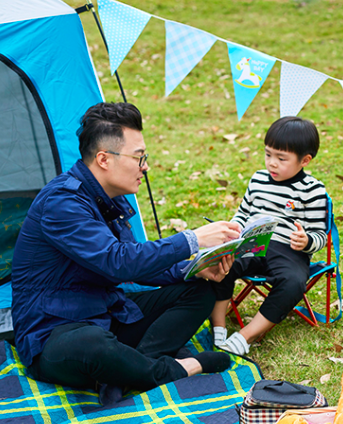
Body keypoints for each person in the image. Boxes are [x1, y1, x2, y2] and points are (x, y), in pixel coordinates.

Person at [11, 102, 242, 405]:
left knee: (199, 291)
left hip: (106, 312)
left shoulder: (109, 198)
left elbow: (135, 265)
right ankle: (175, 368)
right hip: (55, 331)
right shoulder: (62, 203)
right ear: (104, 159)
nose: (145, 166)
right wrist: (192, 239)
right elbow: (117, 260)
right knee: (94, 345)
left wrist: (193, 270)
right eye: (138, 157)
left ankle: (126, 369)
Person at [210, 116, 328, 356]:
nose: (272, 163)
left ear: (305, 160)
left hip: (288, 251)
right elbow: (243, 213)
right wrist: (234, 228)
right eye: (268, 154)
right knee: (221, 264)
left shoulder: (313, 190)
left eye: (281, 158)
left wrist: (306, 241)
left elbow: (320, 234)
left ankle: (246, 336)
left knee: (294, 283)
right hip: (251, 243)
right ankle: (218, 326)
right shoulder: (258, 180)